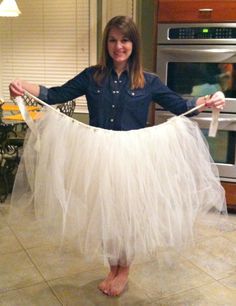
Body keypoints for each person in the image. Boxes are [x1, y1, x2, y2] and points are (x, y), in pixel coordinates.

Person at [9, 16, 226, 297]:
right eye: (112, 40)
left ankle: (124, 270)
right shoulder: (92, 76)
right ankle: (113, 267)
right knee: (106, 214)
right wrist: (24, 85)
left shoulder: (148, 81)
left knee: (127, 215)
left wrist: (207, 100)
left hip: (133, 159)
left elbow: (179, 104)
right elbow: (55, 94)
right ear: (106, 44)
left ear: (133, 44)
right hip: (98, 156)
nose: (118, 46)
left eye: (124, 40)